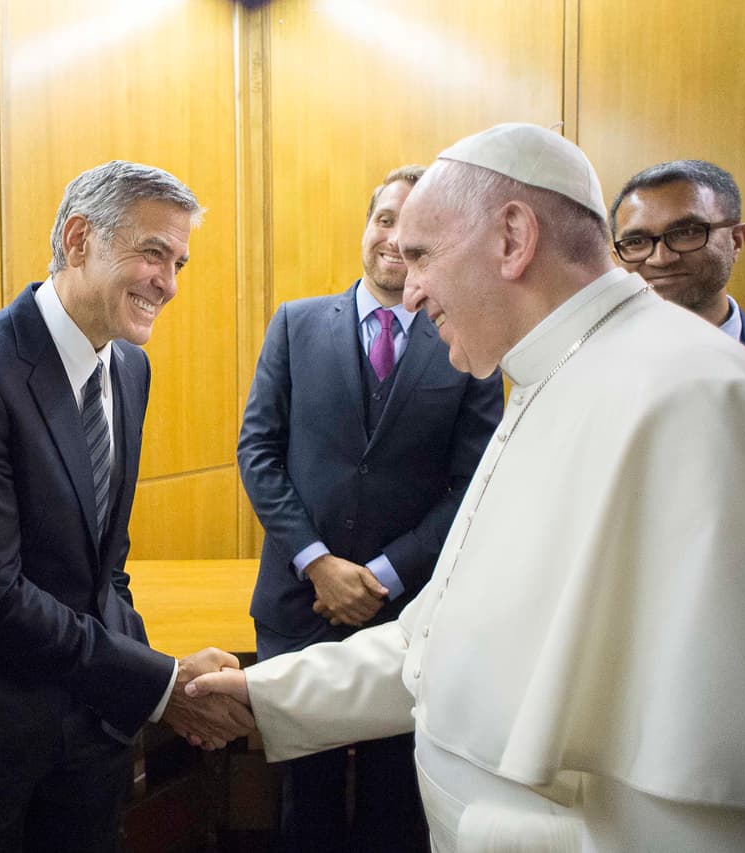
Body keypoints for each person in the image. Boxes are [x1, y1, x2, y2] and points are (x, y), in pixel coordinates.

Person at [188, 124, 745, 850]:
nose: (412, 284)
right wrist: (261, 693)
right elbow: (435, 643)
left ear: (512, 238)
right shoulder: (548, 377)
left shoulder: (699, 398)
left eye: (424, 254)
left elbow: (707, 786)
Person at [0, 160, 252, 852]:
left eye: (179, 263)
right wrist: (161, 682)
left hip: (86, 725)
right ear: (79, 239)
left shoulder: (130, 367)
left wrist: (153, 682)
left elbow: (105, 565)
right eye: (153, 253)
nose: (167, 283)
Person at [238, 164, 501, 851]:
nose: (394, 238)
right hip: (298, 607)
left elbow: (473, 483)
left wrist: (382, 573)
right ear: (367, 226)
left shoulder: (468, 341)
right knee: (304, 808)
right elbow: (258, 451)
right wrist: (317, 561)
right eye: (384, 218)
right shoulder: (295, 325)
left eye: (414, 228)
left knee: (397, 808)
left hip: (411, 610)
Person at [610, 159, 745, 358]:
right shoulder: (585, 362)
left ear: (736, 240)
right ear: (616, 259)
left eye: (687, 232)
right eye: (636, 241)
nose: (661, 259)